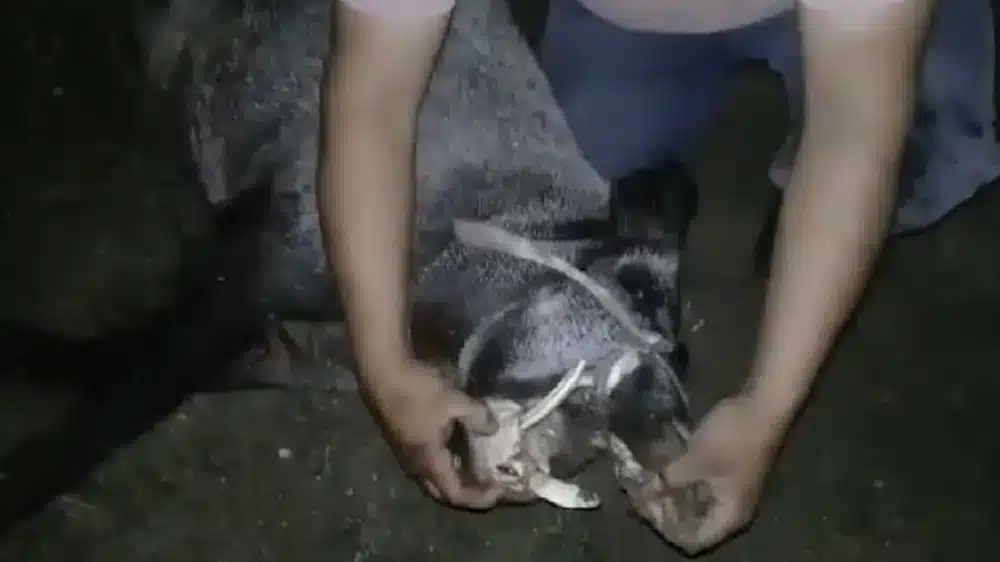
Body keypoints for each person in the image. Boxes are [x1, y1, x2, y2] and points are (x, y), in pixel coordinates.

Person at [319, 0, 998, 554]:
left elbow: (855, 129)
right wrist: (386, 370)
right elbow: (373, 99)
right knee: (581, 181)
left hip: (869, 29)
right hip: (633, 22)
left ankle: (808, 219)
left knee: (928, 147)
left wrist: (764, 411)